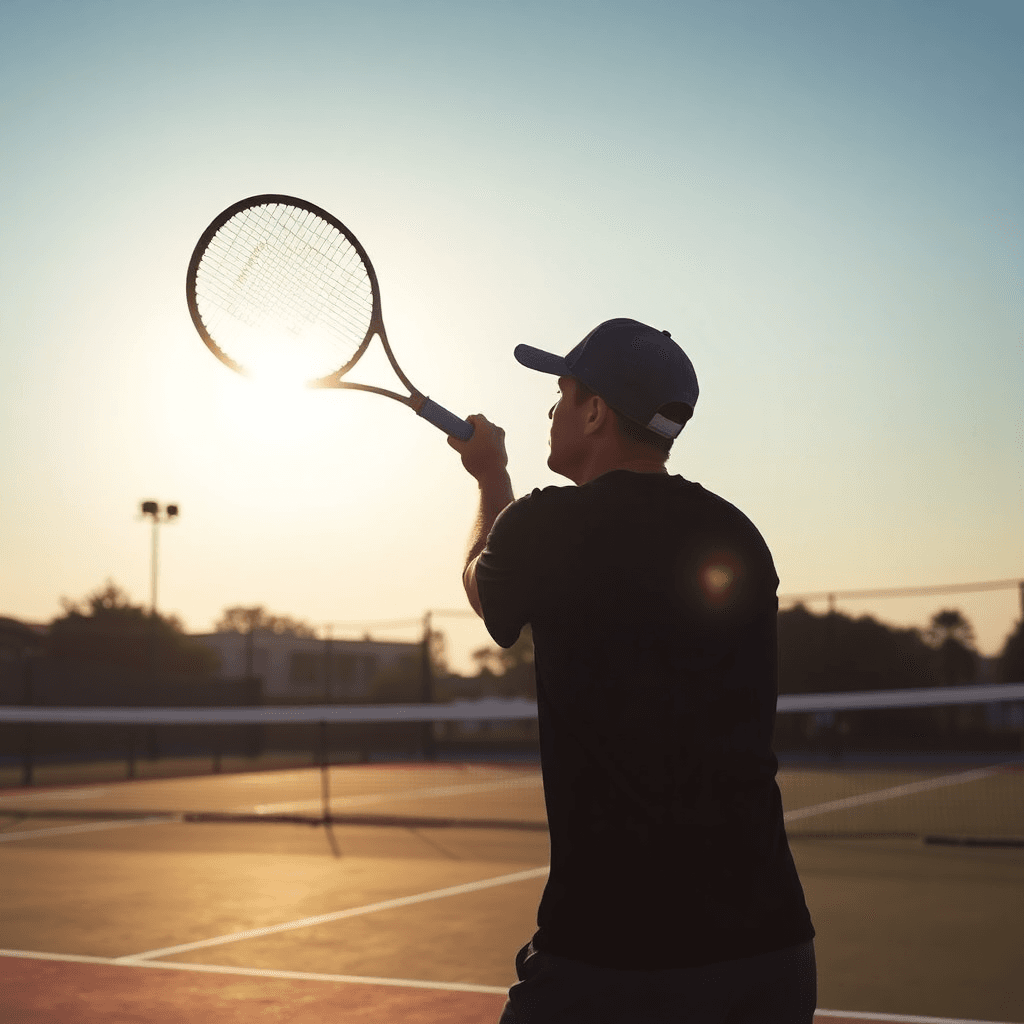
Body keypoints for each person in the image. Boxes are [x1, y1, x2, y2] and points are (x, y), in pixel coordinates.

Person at [448, 318, 816, 1024]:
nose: (551, 412)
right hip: (769, 954)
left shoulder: (543, 524)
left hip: (609, 957)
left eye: (561, 393)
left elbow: (480, 581)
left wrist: (490, 474)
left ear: (594, 411)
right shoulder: (735, 530)